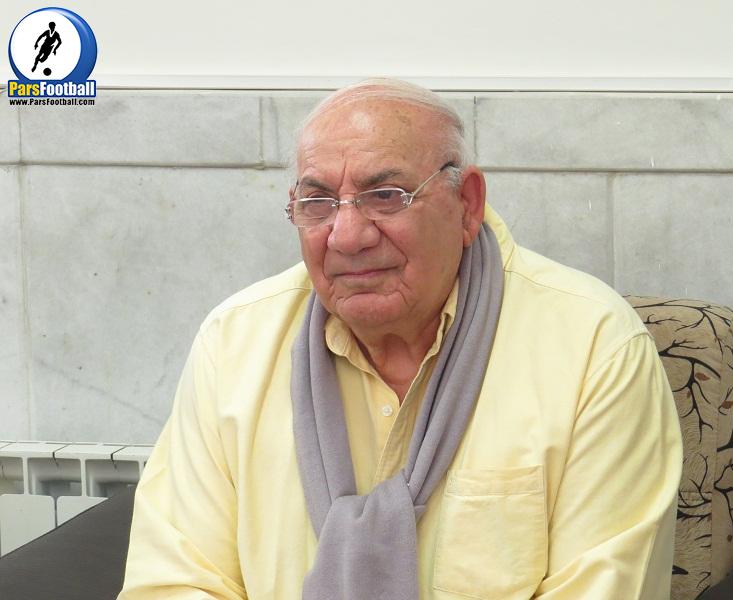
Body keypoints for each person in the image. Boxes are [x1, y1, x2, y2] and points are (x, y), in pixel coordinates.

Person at [120, 78, 682, 599]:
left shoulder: (593, 346)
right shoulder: (233, 343)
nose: (347, 236)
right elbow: (174, 580)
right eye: (318, 202)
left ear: (467, 204)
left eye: (386, 195)